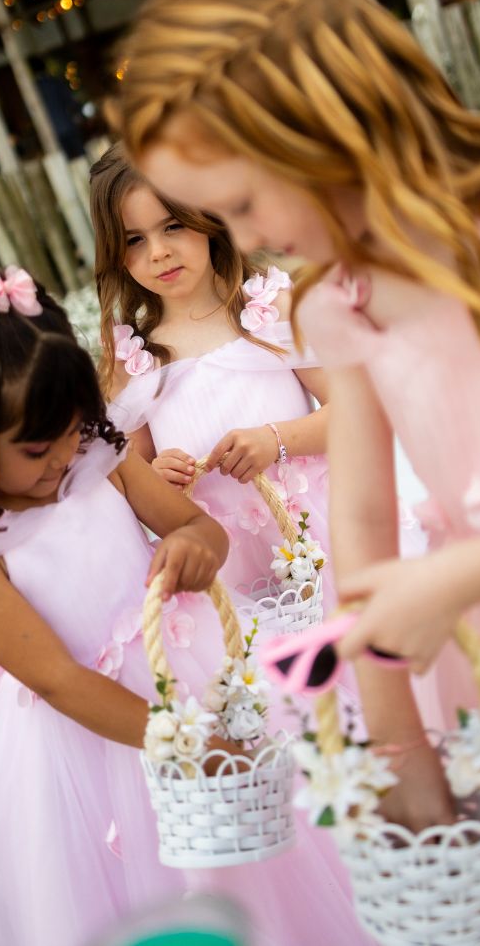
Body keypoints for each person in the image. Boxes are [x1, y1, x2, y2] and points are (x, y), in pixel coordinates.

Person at [112, 0, 480, 937]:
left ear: (311, 122)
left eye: (242, 202)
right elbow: (358, 518)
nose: (247, 236)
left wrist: (449, 580)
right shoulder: (334, 295)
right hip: (459, 650)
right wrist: (402, 752)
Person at [0, 271, 365, 945]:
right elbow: (56, 677)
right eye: (36, 449)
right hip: (97, 729)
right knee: (165, 881)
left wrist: (193, 544)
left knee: (264, 851)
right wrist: (184, 743)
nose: (61, 461)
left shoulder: (99, 460)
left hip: (190, 661)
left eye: (73, 431)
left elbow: (201, 529)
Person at [90, 149, 339, 627]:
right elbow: (128, 468)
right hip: (223, 560)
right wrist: (154, 480)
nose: (158, 252)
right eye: (134, 240)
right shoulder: (132, 358)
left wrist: (276, 440)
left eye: (173, 226)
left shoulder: (266, 310)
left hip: (313, 533)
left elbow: (354, 415)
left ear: (207, 217)